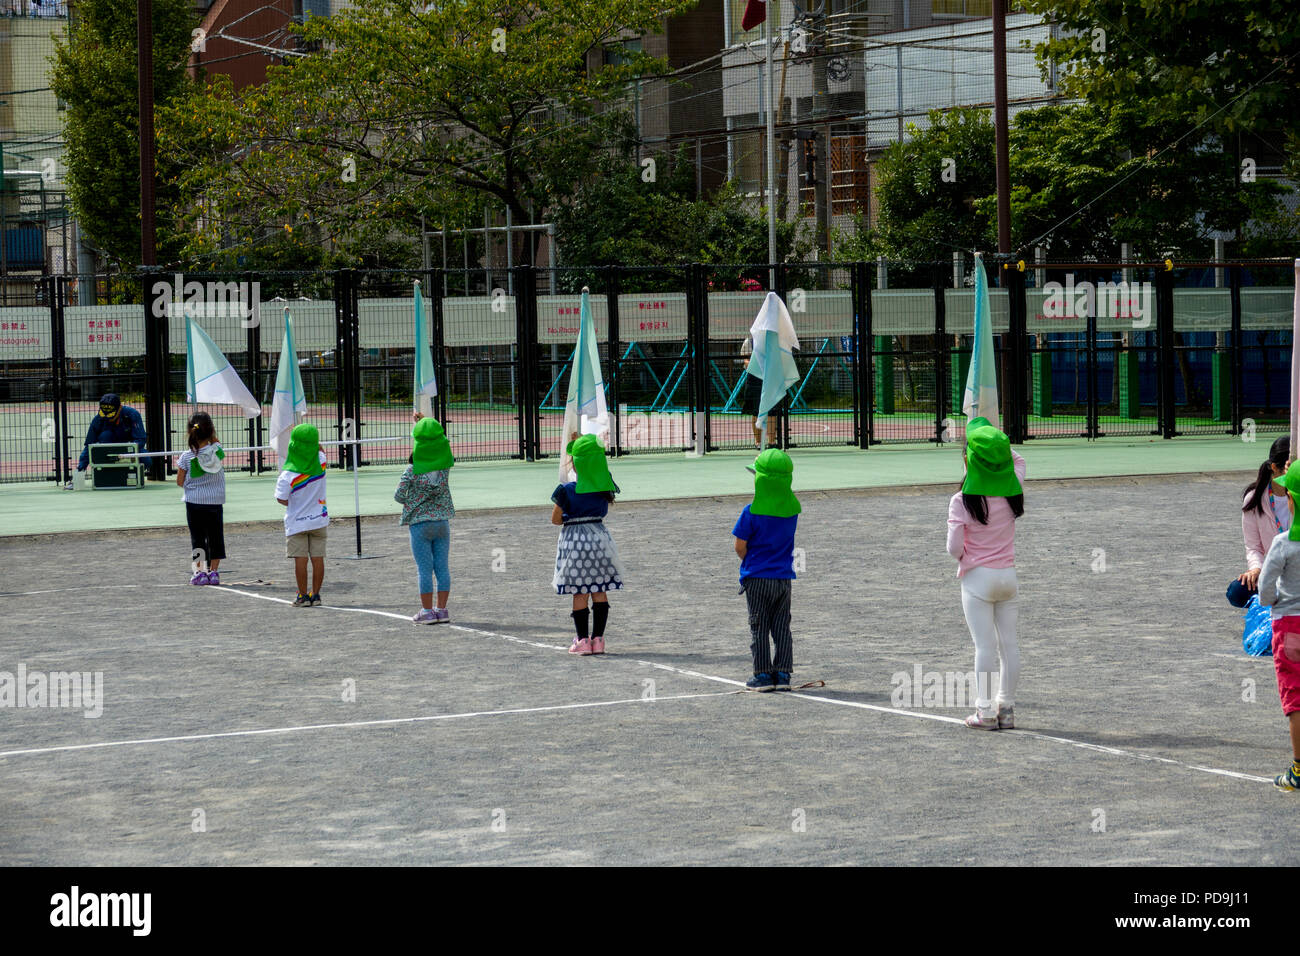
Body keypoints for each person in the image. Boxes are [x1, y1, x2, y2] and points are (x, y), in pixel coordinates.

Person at [946, 417, 1027, 730]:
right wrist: (993, 438)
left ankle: (984, 712)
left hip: (978, 578)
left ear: (968, 459)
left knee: (984, 647)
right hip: (1008, 577)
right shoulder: (1014, 489)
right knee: (1010, 645)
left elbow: (953, 549)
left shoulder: (961, 501)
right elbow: (1016, 458)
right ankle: (1006, 708)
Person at [732, 449, 800, 692]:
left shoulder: (750, 512)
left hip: (757, 577)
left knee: (758, 626)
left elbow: (740, 546)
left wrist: (750, 560)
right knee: (782, 626)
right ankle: (783, 673)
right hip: (783, 578)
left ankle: (761, 675)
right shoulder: (792, 511)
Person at [551, 433, 623, 656]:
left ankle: (582, 640)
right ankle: (598, 640)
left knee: (580, 591)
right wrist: (585, 443)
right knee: (599, 590)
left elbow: (555, 519)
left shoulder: (566, 491)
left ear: (577, 464)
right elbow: (597, 468)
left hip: (575, 544)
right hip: (600, 541)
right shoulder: (605, 487)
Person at [1253, 460, 1300, 791]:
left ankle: (1299, 768)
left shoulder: (1283, 543)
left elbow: (1264, 590)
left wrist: (1272, 601)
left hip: (1289, 626)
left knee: (1296, 699)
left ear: (1293, 501)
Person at [395, 414, 455, 624]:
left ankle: (427, 611)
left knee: (424, 568)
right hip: (442, 522)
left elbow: (399, 495)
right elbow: (440, 443)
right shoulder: (444, 467)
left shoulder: (411, 470)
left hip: (420, 524)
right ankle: (442, 609)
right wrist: (426, 423)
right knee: (442, 567)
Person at [1230, 436, 1290, 608]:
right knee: (1237, 591)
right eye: (1287, 469)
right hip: (1273, 572)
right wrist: (1256, 569)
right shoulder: (1254, 498)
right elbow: (1253, 546)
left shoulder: (1297, 493)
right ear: (1273, 467)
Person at [275, 423, 329, 607]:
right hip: (319, 520)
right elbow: (320, 449)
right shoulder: (321, 462)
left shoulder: (287, 475)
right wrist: (310, 437)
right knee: (318, 557)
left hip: (296, 522)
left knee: (300, 559)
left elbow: (281, 499)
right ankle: (316, 595)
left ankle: (302, 595)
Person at [175, 412, 226, 586]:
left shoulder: (186, 457)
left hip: (194, 502)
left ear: (190, 432)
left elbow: (180, 481)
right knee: (215, 537)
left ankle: (199, 571)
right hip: (215, 501)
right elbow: (216, 443)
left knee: (198, 538)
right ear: (211, 431)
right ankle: (214, 572)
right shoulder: (217, 451)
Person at [73, 393, 148, 480]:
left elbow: (141, 440)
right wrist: (80, 470)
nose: (106, 418)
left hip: (128, 451)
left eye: (110, 415)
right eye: (103, 414)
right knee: (105, 435)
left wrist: (124, 451)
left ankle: (131, 473)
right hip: (108, 453)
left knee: (146, 460)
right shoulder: (98, 419)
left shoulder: (132, 415)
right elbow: (89, 446)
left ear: (119, 408)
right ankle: (109, 474)